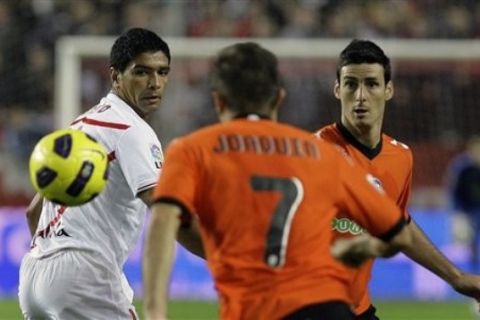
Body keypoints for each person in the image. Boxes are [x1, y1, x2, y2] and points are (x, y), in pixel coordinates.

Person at [143, 42, 415, 320]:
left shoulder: (190, 150)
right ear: (278, 99)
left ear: (219, 101)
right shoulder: (319, 152)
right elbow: (398, 232)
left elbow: (163, 221)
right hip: (330, 308)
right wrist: (360, 247)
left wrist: (155, 312)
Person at [315, 39, 480, 320]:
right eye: (351, 84)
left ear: (388, 90)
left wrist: (457, 277)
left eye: (371, 83)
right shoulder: (313, 155)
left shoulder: (401, 157)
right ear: (337, 89)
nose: (360, 96)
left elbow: (399, 223)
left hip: (357, 308)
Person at [19, 27, 177, 319]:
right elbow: (164, 207)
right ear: (116, 76)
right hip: (85, 273)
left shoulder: (79, 126)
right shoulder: (132, 132)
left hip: (34, 274)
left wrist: (54, 256)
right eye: (142, 72)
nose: (155, 83)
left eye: (162, 72)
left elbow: (33, 211)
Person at [447, 135, 480, 272]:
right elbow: (454, 190)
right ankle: (474, 273)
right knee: (470, 243)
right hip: (468, 210)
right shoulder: (462, 168)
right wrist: (457, 213)